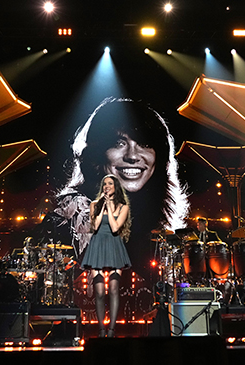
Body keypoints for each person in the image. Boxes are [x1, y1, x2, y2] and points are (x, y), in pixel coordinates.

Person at [56, 97, 189, 278]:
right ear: (96, 154)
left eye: (145, 144)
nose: (132, 156)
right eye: (119, 143)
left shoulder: (158, 218)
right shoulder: (75, 210)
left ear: (160, 157)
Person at [80, 174, 132, 337]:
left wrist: (110, 206)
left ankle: (111, 330)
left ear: (116, 187)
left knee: (114, 290)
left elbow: (115, 228)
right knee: (100, 292)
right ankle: (101, 329)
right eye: (104, 184)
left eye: (110, 184)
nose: (106, 186)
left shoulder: (123, 207)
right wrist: (103, 205)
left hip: (114, 246)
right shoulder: (95, 204)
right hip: (98, 247)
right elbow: (95, 227)